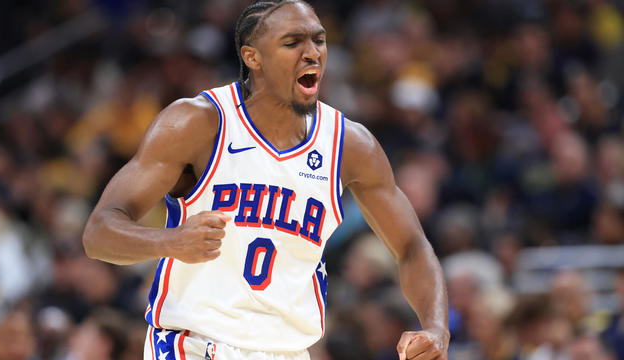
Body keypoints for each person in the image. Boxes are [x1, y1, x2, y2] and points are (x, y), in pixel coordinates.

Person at [82, 1, 449, 359]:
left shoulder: (350, 145)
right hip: (193, 345)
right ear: (252, 57)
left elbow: (412, 247)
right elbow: (99, 233)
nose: (312, 54)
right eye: (293, 43)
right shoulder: (198, 123)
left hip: (287, 351)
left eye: (318, 41)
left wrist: (435, 326)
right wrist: (170, 240)